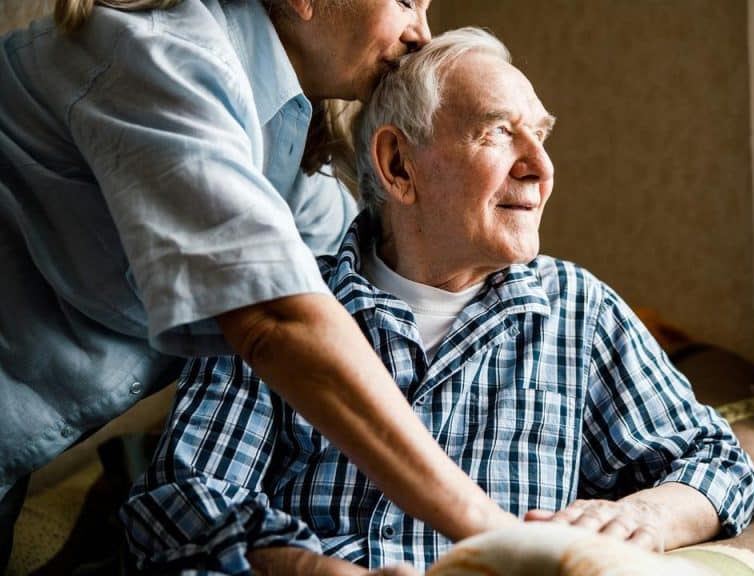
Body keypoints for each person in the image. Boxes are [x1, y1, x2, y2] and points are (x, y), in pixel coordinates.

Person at [120, 27, 754, 574]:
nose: (541, 168)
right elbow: (181, 499)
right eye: (497, 133)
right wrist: (308, 566)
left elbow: (719, 464)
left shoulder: (579, 312)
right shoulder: (279, 301)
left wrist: (644, 515)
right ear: (399, 166)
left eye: (540, 136)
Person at [0, 1, 520, 571]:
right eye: (404, 1)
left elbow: (357, 271)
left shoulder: (286, 137)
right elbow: (277, 320)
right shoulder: (160, 57)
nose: (422, 34)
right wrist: (498, 534)